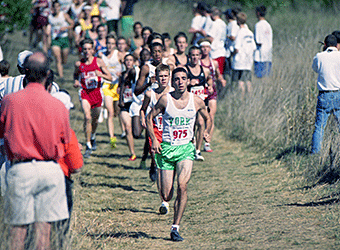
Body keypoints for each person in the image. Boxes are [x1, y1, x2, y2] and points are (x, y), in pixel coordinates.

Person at [0, 51, 71, 250]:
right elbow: (65, 138)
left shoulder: (10, 101)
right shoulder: (57, 105)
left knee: (17, 232)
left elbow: (2, 131)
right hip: (49, 169)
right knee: (44, 233)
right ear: (47, 74)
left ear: (25, 71)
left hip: (20, 168)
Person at [146, 67, 212, 241]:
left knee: (183, 185)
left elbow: (208, 117)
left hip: (185, 150)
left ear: (188, 81)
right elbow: (148, 118)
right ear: (172, 82)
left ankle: (175, 227)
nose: (180, 81)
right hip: (166, 149)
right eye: (177, 79)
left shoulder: (196, 101)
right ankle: (167, 190)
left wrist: (207, 133)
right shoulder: (165, 100)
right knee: (167, 195)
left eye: (183, 78)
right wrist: (154, 139)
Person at [74, 38, 112, 158]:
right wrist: (76, 81)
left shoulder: (99, 62)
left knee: (94, 120)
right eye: (85, 49)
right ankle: (88, 144)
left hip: (97, 93)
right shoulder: (79, 64)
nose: (87, 51)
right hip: (85, 93)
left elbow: (110, 77)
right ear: (82, 50)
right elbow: (76, 75)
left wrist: (101, 74)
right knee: (87, 117)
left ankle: (93, 135)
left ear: (93, 50)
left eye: (89, 49)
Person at [140, 64, 172, 182]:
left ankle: (166, 184)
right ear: (156, 78)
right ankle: (162, 194)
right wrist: (142, 119)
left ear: (169, 77)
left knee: (168, 163)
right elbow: (143, 110)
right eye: (161, 76)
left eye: (165, 76)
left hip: (170, 131)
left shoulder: (174, 92)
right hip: (155, 129)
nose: (163, 79)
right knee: (159, 162)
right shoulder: (150, 94)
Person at [311, 34, 340, 154]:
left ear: (325, 44)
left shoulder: (319, 56)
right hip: (338, 93)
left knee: (320, 127)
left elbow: (315, 68)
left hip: (324, 94)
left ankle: (315, 153)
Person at [186, 46, 213, 161]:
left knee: (201, 123)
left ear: (200, 56)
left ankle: (197, 150)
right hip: (190, 101)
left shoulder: (204, 70)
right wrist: (188, 83)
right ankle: (190, 146)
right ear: (189, 56)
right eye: (193, 55)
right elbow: (178, 81)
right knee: (191, 125)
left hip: (202, 101)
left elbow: (209, 78)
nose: (195, 57)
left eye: (197, 55)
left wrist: (210, 86)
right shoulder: (185, 69)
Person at [199, 39, 226, 152]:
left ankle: (207, 142)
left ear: (210, 49)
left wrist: (221, 80)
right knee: (199, 119)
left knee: (211, 116)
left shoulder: (213, 62)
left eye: (207, 47)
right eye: (203, 47)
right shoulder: (198, 62)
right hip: (201, 91)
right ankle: (197, 139)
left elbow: (218, 74)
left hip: (212, 91)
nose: (205, 49)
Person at [99, 34, 123, 148]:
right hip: (106, 85)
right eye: (108, 43)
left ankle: (123, 131)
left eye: (112, 43)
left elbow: (127, 66)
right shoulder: (101, 55)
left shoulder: (118, 54)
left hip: (117, 86)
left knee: (118, 111)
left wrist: (122, 73)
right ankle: (112, 138)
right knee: (110, 112)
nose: (110, 46)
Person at [118, 54, 139, 161]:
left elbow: (133, 73)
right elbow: (119, 88)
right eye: (127, 60)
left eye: (131, 60)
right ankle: (132, 153)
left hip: (135, 104)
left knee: (138, 130)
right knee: (127, 127)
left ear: (134, 62)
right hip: (125, 104)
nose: (129, 62)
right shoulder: (121, 75)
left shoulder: (135, 73)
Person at [49, 0, 74, 82]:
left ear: (60, 7)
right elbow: (48, 28)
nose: (56, 9)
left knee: (64, 59)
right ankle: (61, 76)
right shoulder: (50, 17)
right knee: (58, 58)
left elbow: (72, 23)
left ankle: (61, 68)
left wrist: (66, 28)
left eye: (58, 7)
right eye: (55, 7)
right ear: (52, 8)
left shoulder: (63, 15)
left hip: (64, 38)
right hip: (55, 40)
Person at [232, 12, 256, 98]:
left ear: (237, 21)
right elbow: (253, 47)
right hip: (248, 60)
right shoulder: (250, 33)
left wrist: (232, 54)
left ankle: (241, 99)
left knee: (240, 81)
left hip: (239, 61)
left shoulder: (239, 33)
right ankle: (250, 98)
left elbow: (236, 48)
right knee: (248, 81)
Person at [205, 7, 227, 77]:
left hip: (215, 52)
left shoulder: (214, 24)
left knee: (215, 74)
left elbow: (211, 38)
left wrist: (204, 37)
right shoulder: (223, 24)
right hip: (222, 51)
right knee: (220, 73)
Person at [254, 5, 273, 78]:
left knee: (259, 77)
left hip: (260, 55)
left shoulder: (258, 25)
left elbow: (259, 41)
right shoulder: (268, 25)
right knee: (267, 77)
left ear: (258, 13)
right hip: (268, 55)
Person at [224, 8, 240, 77]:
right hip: (230, 50)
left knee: (228, 72)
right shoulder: (235, 23)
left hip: (230, 50)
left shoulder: (232, 24)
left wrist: (226, 36)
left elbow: (233, 37)